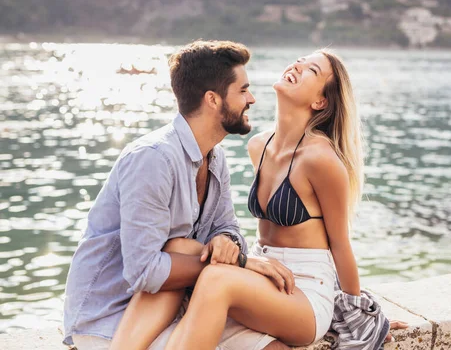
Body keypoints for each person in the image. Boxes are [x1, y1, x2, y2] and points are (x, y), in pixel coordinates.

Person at [111, 49, 407, 350]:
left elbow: (341, 245)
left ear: (320, 101)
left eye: (312, 71)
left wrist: (359, 315)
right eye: (300, 61)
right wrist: (238, 255)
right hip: (267, 278)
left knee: (216, 279)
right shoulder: (258, 145)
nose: (297, 66)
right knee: (179, 247)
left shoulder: (322, 158)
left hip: (305, 291)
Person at [63, 39, 294, 350]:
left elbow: (229, 228)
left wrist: (226, 243)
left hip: (187, 300)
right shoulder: (153, 159)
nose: (251, 98)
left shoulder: (215, 156)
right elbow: (144, 272)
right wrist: (240, 264)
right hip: (115, 317)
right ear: (213, 99)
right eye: (242, 90)